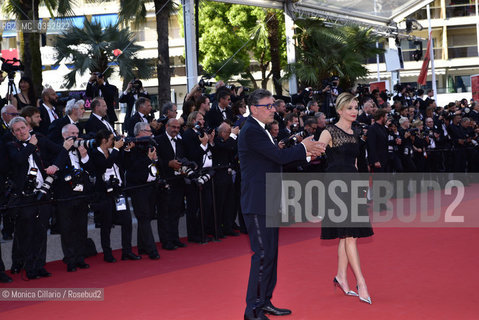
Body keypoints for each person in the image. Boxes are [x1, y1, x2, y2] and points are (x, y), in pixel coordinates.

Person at [238, 89, 325, 320]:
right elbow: (278, 158)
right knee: (263, 255)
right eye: (268, 106)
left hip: (268, 199)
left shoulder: (260, 130)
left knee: (271, 255)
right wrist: (305, 148)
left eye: (273, 105)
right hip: (257, 202)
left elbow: (275, 160)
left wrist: (305, 153)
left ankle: (265, 302)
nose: (273, 109)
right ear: (254, 108)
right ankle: (253, 310)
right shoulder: (251, 131)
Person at [318, 92, 374, 305]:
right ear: (339, 110)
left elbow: (358, 164)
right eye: (349, 108)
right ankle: (361, 282)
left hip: (353, 184)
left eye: (356, 107)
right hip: (336, 187)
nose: (354, 111)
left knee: (348, 235)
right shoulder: (329, 131)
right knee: (350, 236)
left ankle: (341, 276)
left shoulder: (356, 133)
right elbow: (317, 150)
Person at [90, 129, 140, 263]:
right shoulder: (95, 154)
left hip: (118, 192)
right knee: (106, 225)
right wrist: (117, 150)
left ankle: (127, 251)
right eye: (112, 139)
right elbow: (106, 165)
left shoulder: (114, 152)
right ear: (104, 140)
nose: (114, 142)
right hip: (104, 194)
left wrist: (127, 151)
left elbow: (127, 165)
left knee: (127, 222)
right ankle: (107, 253)